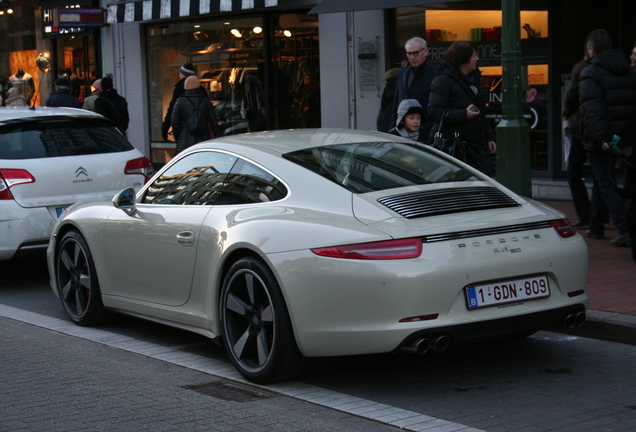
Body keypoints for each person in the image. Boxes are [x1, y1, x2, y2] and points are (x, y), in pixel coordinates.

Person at [579, 29, 636, 247]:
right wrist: (629, 140)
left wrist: (600, 137)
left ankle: (625, 227)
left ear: (591, 49)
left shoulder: (591, 73)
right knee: (602, 181)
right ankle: (596, 226)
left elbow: (592, 109)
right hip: (624, 135)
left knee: (605, 182)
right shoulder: (629, 71)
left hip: (602, 138)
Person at [427, 40, 496, 176]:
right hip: (456, 146)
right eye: (473, 56)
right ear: (463, 59)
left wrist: (489, 137)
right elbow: (434, 111)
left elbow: (481, 113)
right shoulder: (443, 81)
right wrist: (464, 114)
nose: (477, 59)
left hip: (477, 145)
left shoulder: (474, 79)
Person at [563, 49, 593, 228]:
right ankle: (599, 215)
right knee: (601, 175)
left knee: (574, 171)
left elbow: (572, 97)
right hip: (598, 124)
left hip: (581, 125)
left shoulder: (583, 70)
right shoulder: (610, 71)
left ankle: (586, 214)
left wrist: (567, 112)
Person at [389, 37, 438, 140]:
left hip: (425, 133)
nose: (412, 57)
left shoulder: (436, 74)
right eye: (409, 54)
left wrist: (426, 132)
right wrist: (393, 130)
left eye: (415, 53)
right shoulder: (403, 73)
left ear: (425, 51)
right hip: (402, 133)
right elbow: (396, 104)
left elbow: (436, 108)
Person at [171, 75, 220, 154]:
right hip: (203, 139)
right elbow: (213, 122)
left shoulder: (181, 100)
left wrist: (179, 137)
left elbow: (174, 122)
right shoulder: (206, 100)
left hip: (185, 140)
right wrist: (217, 137)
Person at [162, 63, 197, 141]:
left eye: (180, 72)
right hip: (200, 128)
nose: (179, 74)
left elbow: (172, 110)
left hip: (184, 129)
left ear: (184, 74)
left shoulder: (180, 89)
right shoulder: (201, 90)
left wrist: (165, 127)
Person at [377, 67, 401, 133]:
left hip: (387, 116)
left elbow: (383, 104)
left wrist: (379, 124)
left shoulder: (388, 86)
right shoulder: (404, 84)